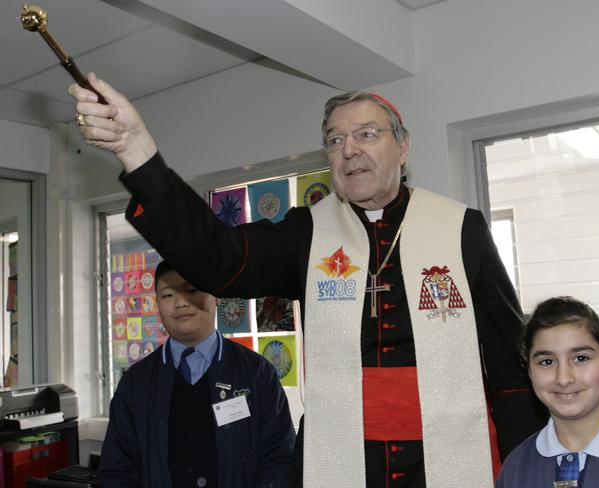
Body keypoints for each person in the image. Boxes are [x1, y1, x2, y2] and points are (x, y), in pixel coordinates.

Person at [70, 74, 545, 488]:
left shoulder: (461, 229)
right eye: (335, 141)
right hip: (342, 462)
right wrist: (136, 151)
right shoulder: (308, 233)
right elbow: (216, 260)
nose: (349, 149)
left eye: (366, 134)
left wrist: (530, 467)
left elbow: (509, 370)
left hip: (448, 457)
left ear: (402, 146)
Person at [99, 260, 295, 488]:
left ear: (216, 295)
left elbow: (281, 459)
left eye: (192, 290)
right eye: (167, 295)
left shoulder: (257, 373)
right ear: (157, 304)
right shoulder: (136, 383)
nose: (180, 303)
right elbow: (117, 470)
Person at [496, 296, 599, 487]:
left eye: (581, 358)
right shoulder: (516, 468)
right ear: (529, 372)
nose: (563, 379)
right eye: (547, 362)